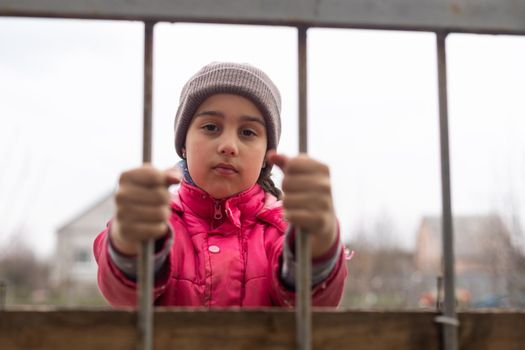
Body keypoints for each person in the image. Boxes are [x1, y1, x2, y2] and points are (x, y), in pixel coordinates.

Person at [93, 62, 348, 307]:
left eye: (248, 132)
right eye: (211, 127)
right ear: (183, 144)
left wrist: (320, 242)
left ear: (265, 155)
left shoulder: (285, 230)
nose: (228, 145)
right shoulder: (156, 223)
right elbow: (124, 296)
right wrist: (128, 241)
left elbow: (314, 302)